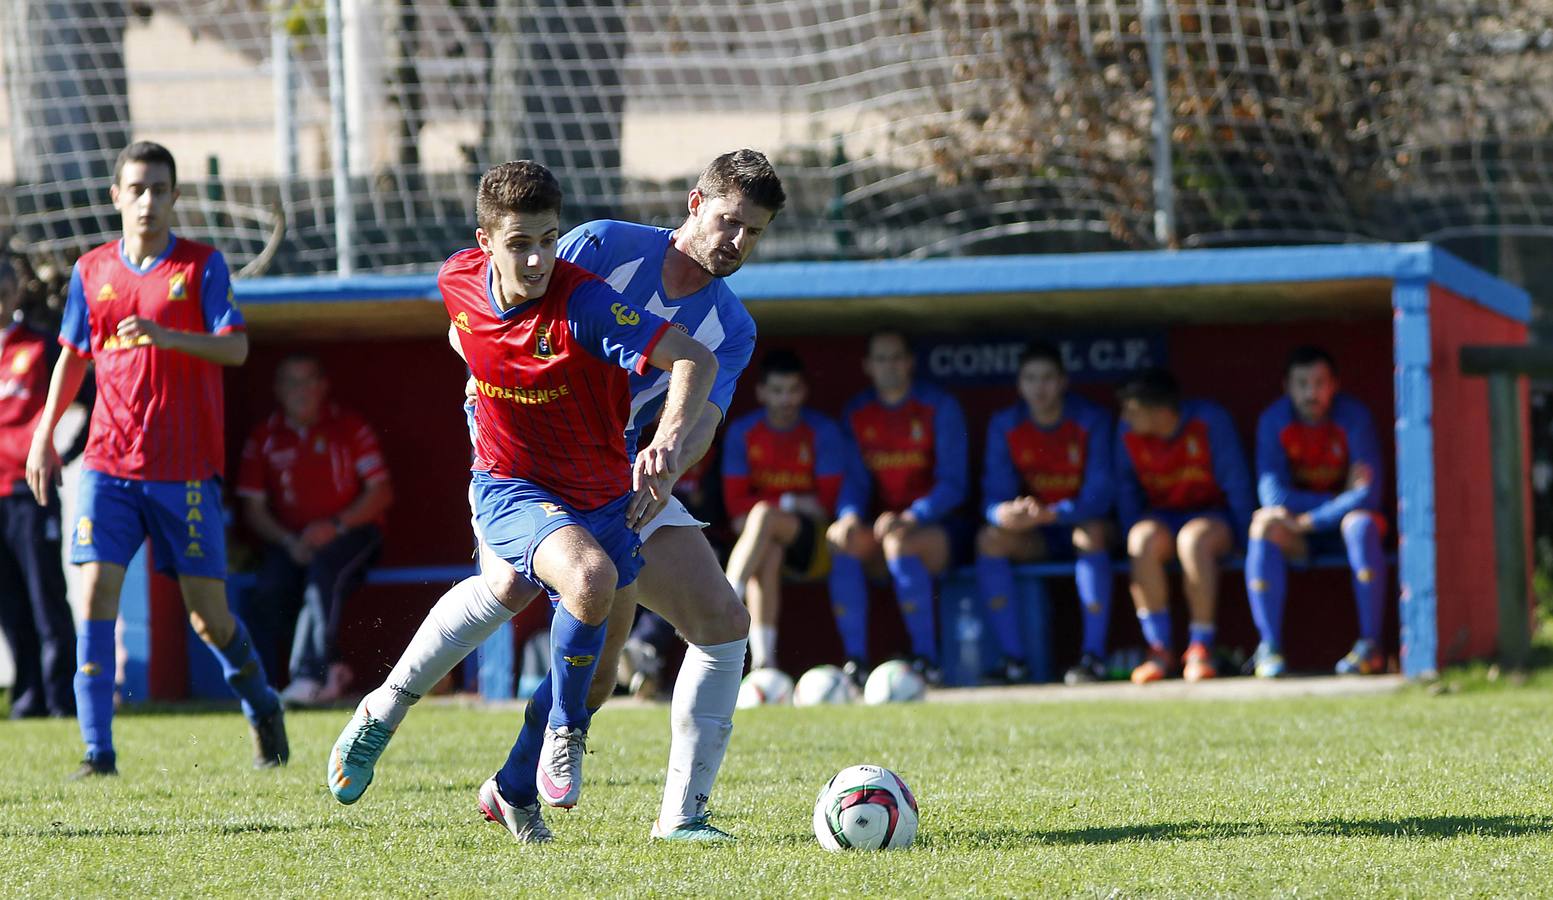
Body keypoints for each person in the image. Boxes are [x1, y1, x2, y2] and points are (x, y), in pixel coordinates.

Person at [326, 159, 723, 840]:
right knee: (572, 581)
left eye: (548, 238)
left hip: (602, 493)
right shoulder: (457, 279)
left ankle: (513, 788)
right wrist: (478, 380)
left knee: (597, 675)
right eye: (519, 243)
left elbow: (695, 359)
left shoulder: (588, 303)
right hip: (510, 482)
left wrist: (665, 442)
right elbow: (464, 330)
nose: (538, 257)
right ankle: (413, 713)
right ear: (484, 243)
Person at [25, 141, 287, 776]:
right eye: (135, 189)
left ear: (174, 198)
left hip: (185, 470)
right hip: (109, 463)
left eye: (158, 189)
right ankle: (98, 752)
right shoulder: (92, 272)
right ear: (117, 197)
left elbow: (237, 351)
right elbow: (73, 357)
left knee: (209, 620)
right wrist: (43, 433)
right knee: (93, 597)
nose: (146, 200)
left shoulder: (201, 267)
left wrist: (168, 335)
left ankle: (263, 706)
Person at [235, 354, 394, 705]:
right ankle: (328, 669)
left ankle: (310, 677)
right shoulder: (264, 437)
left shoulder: (350, 427)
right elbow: (254, 509)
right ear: (278, 389)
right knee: (271, 587)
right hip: (291, 541)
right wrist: (290, 541)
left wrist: (335, 526)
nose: (300, 391)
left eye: (308, 381)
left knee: (324, 574)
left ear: (323, 386)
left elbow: (380, 492)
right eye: (291, 382)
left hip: (352, 535)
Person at [826, 331, 967, 685]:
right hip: (883, 528)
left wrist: (912, 516)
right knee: (840, 539)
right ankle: (855, 662)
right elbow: (854, 480)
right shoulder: (859, 412)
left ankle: (926, 660)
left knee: (899, 542)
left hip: (941, 529)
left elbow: (954, 483)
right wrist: (849, 515)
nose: (889, 366)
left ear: (909, 362)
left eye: (896, 357)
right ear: (868, 366)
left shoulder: (939, 406)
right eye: (881, 358)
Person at [976, 343, 1114, 685]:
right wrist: (1003, 512)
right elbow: (992, 494)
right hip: (1037, 532)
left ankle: (1093, 657)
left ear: (1064, 382)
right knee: (990, 539)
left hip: (1081, 525)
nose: (1040, 387)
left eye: (1048, 378)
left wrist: (1053, 513)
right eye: (1031, 379)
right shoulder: (1005, 424)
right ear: (1019, 385)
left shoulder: (1091, 419)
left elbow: (1101, 493)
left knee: (1090, 533)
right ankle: (1014, 661)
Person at [1245, 347, 1387, 677]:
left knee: (1360, 524)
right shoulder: (1273, 421)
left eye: (1320, 382)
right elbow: (1273, 495)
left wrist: (1312, 518)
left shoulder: (1355, 418)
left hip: (1336, 530)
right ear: (1287, 386)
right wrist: (1339, 497)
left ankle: (1371, 646)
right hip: (1298, 534)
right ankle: (1269, 649)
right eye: (1302, 383)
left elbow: (1368, 495)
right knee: (1265, 523)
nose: (1312, 392)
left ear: (1334, 385)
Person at [1114, 368, 1253, 684]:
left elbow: (1237, 483)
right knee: (1140, 539)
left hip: (1213, 517)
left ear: (1161, 412)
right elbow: (1126, 493)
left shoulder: (1209, 422)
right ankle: (1158, 650)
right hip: (1163, 518)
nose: (1124, 416)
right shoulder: (1126, 433)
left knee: (1193, 540)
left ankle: (1200, 647)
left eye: (1132, 409)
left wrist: (1246, 540)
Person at [721, 349, 845, 672]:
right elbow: (735, 513)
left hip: (814, 543)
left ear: (804, 391)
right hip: (762, 543)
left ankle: (724, 598)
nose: (786, 399)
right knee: (769, 551)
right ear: (761, 392)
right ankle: (765, 663)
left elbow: (825, 506)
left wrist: (781, 505)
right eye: (777, 391)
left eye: (793, 390)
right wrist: (794, 500)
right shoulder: (743, 433)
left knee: (763, 514)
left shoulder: (822, 431)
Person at [0, 256, 76, 719]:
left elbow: (86, 395)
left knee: (46, 597)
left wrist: (62, 452)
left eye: (3, 288)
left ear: (15, 292)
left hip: (31, 491)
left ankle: (61, 698)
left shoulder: (41, 346)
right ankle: (27, 696)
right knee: (9, 603)